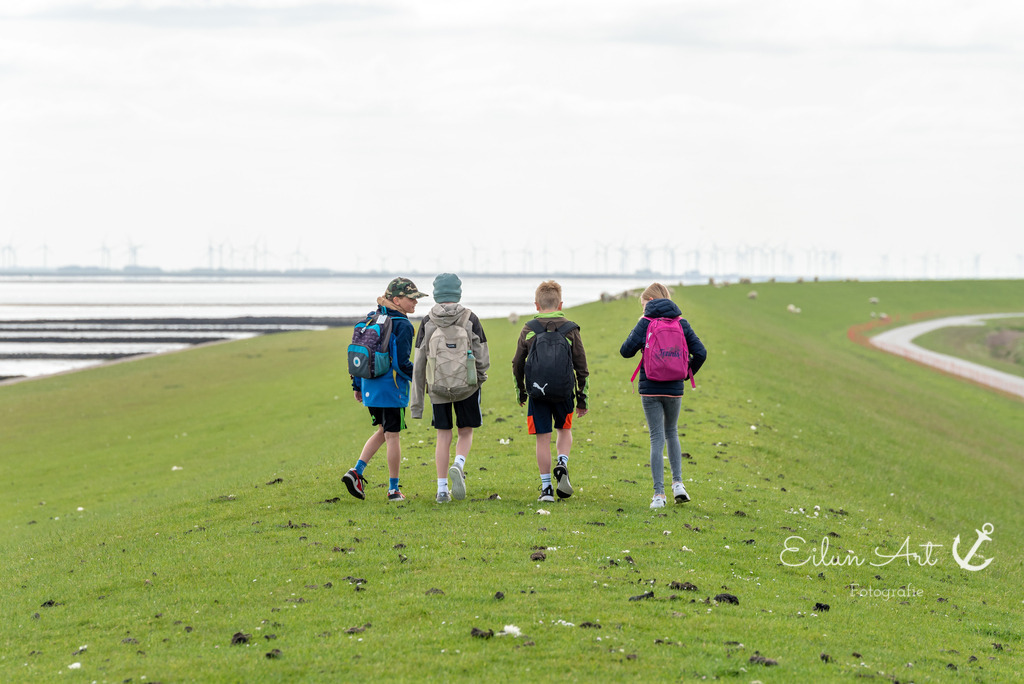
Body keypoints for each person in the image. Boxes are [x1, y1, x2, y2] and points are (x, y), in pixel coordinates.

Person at [619, 283, 707, 509]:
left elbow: (625, 351)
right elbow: (701, 352)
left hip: (650, 387)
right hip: (675, 388)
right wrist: (687, 373)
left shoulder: (645, 322)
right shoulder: (681, 323)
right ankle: (678, 484)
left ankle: (659, 495)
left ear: (649, 300)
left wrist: (639, 328)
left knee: (656, 438)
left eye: (643, 303)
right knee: (672, 432)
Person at [343, 277, 426, 502]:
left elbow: (361, 354)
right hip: (391, 389)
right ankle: (393, 489)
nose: (415, 303)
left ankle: (356, 472)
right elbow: (401, 364)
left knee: (382, 431)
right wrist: (423, 382)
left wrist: (357, 386)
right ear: (397, 300)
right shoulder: (403, 325)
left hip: (370, 386)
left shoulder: (373, 318)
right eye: (412, 299)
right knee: (393, 435)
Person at [411, 273, 491, 504]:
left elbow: (419, 364)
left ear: (436, 294)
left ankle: (442, 490)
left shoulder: (427, 321)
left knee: (443, 436)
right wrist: (480, 377)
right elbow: (482, 356)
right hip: (467, 386)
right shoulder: (470, 318)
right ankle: (459, 463)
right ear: (458, 293)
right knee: (465, 431)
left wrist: (416, 405)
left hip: (437, 389)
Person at [512, 280, 589, 502]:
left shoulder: (528, 329)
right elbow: (581, 366)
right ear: (560, 303)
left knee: (542, 439)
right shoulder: (571, 329)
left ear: (537, 305)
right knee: (564, 430)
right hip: (564, 392)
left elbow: (517, 363)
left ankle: (546, 489)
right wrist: (582, 399)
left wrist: (522, 392)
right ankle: (562, 462)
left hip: (537, 393)